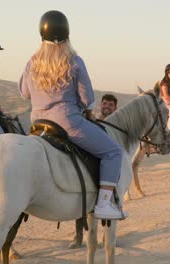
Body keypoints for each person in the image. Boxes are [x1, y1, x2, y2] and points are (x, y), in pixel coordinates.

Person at [18, 10, 127, 220]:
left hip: (38, 124)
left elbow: (24, 93)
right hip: (68, 122)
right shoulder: (73, 60)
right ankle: (104, 204)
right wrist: (87, 111)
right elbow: (87, 98)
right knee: (113, 152)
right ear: (67, 34)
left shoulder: (32, 62)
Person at [70, 93, 118, 249]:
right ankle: (78, 236)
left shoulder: (117, 127)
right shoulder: (93, 122)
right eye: (105, 103)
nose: (107, 107)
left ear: (115, 108)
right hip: (91, 164)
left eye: (111, 105)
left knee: (109, 198)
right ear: (100, 105)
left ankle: (106, 236)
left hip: (107, 168)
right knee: (82, 197)